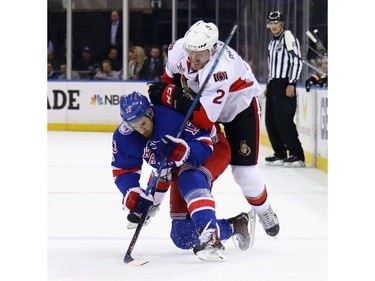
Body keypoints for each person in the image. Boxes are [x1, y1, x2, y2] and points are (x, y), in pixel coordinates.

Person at [147, 20, 280, 237]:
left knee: (243, 173)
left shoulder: (220, 70)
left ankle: (264, 210)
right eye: (190, 51)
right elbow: (166, 84)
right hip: (203, 105)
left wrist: (173, 97)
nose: (193, 58)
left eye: (200, 53)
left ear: (214, 48)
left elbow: (204, 120)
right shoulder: (177, 50)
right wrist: (169, 96)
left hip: (239, 109)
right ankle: (159, 199)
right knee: (180, 158)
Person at [111, 91, 254, 261]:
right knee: (183, 236)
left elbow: (204, 144)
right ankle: (235, 225)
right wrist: (132, 193)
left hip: (212, 150)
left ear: (150, 113)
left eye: (143, 123)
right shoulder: (125, 136)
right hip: (177, 165)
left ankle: (210, 238)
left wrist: (184, 151)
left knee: (189, 177)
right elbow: (124, 170)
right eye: (135, 126)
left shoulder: (170, 119)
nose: (141, 130)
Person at [264, 11, 305, 167]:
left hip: (285, 84)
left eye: (276, 23)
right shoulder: (272, 43)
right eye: (271, 23)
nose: (274, 26)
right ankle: (280, 153)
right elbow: (271, 66)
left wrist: (291, 83)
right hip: (274, 84)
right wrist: (269, 83)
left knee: (285, 121)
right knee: (271, 121)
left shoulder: (288, 38)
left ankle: (297, 155)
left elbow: (297, 62)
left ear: (282, 24)